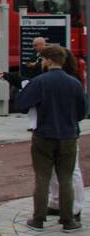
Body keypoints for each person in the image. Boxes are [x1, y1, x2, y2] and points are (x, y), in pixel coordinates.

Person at [16, 44, 86, 232]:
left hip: (44, 135)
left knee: (42, 178)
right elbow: (82, 112)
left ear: (47, 60)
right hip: (69, 136)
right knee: (66, 178)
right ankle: (68, 220)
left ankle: (38, 219)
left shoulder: (40, 81)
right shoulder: (74, 83)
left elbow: (22, 104)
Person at [47, 46, 85, 222]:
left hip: (60, 130)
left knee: (69, 170)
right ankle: (60, 203)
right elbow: (81, 111)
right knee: (64, 170)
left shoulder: (70, 80)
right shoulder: (74, 80)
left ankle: (73, 206)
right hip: (69, 129)